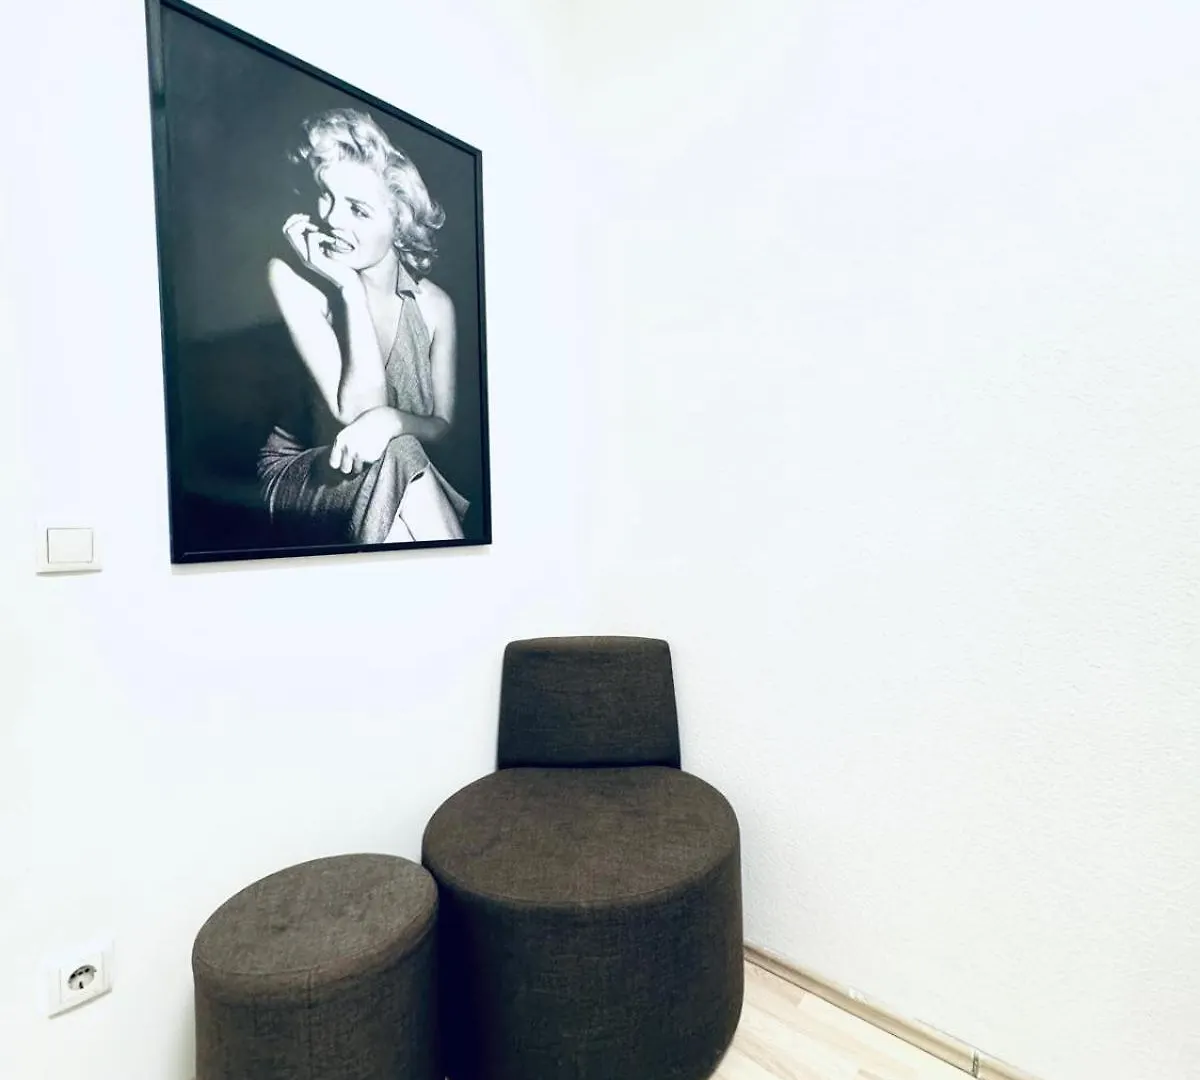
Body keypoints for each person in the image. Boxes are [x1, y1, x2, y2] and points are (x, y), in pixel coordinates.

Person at [257, 107, 467, 545]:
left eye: (358, 209)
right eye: (326, 195)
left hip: (395, 465)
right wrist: (349, 289)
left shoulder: (434, 307)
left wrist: (392, 421)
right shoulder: (290, 277)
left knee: (399, 453)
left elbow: (442, 424)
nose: (333, 219)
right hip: (302, 473)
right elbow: (357, 413)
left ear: (400, 222)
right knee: (400, 455)